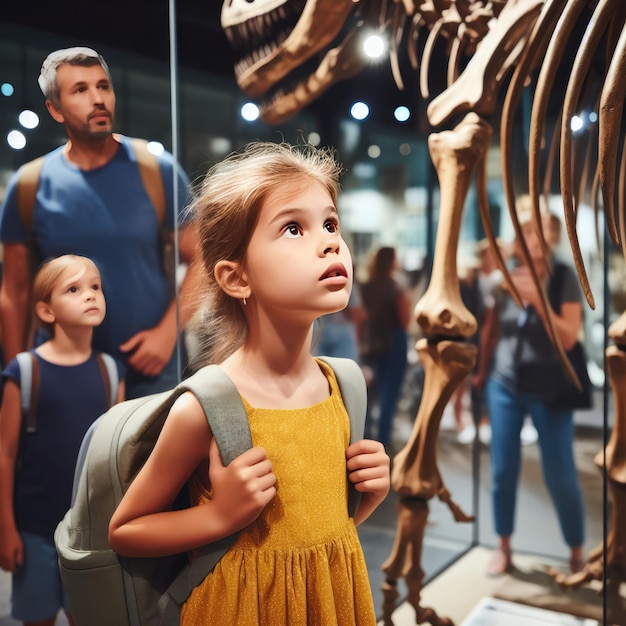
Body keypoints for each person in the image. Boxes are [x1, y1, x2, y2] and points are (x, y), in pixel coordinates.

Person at [108, 141, 390, 625]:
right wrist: (218, 518)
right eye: (293, 228)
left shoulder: (343, 386)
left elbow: (316, 540)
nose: (329, 242)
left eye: (329, 223)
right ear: (236, 278)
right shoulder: (209, 404)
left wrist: (369, 496)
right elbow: (127, 529)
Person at [0, 47, 201, 399]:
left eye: (103, 86)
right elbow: (14, 291)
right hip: (63, 372)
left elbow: (200, 257)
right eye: (80, 90)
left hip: (150, 368)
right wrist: (21, 375)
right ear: (55, 109)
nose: (98, 99)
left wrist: (168, 332)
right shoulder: (30, 184)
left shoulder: (157, 170)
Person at [0, 254, 125, 626]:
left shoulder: (110, 369)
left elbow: (115, 453)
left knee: (86, 616)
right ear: (46, 309)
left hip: (89, 533)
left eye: (95, 287)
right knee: (37, 618)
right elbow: (5, 453)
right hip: (34, 528)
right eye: (74, 289)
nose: (90, 295)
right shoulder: (24, 370)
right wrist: (6, 526)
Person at [482, 197, 586, 577]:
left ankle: (577, 551)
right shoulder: (503, 276)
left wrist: (539, 302)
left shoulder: (563, 276)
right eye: (525, 229)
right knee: (502, 470)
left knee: (560, 475)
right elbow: (493, 329)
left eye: (538, 230)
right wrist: (480, 370)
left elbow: (571, 337)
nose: (531, 237)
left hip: (551, 385)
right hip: (505, 384)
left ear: (552, 235)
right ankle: (503, 546)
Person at [360, 246, 412, 448]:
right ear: (392, 262)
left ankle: (363, 440)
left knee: (367, 397)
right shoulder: (396, 288)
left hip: (371, 344)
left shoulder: (367, 287)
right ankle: (382, 443)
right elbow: (405, 321)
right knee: (388, 398)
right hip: (393, 344)